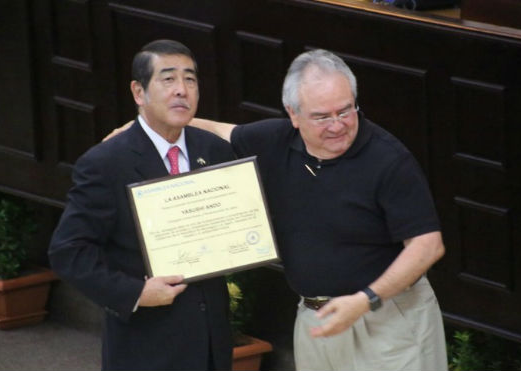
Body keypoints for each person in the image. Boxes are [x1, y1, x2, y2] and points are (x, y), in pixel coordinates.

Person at [106, 49, 448, 371]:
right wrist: (140, 131)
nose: (337, 125)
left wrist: (365, 299)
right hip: (316, 317)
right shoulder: (275, 140)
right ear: (293, 115)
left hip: (386, 315)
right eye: (321, 116)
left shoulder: (388, 159)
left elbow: (427, 245)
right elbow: (219, 131)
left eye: (346, 110)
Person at [49, 40, 234, 371]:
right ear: (138, 92)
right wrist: (136, 293)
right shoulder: (106, 163)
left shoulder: (214, 151)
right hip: (146, 345)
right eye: (168, 79)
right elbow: (68, 251)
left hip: (210, 343)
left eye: (190, 80)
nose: (182, 90)